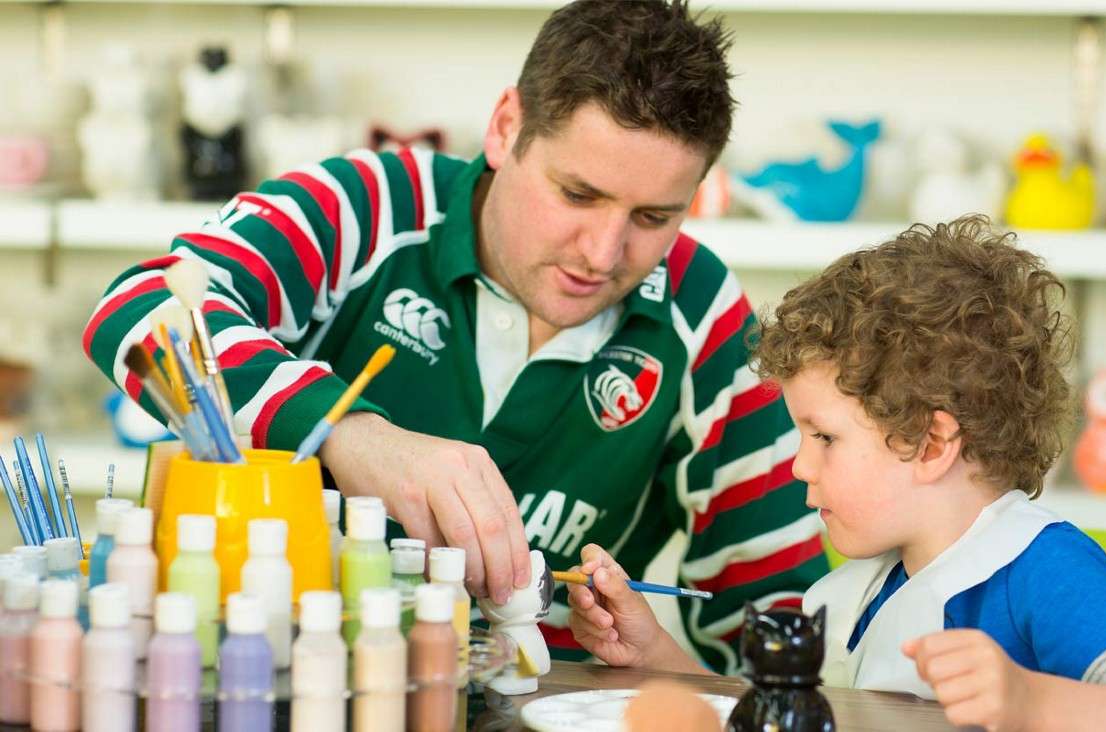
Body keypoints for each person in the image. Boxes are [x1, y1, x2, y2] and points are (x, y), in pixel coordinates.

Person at [80, 0, 825, 671]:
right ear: (507, 128)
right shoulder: (366, 207)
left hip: (541, 709)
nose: (602, 253)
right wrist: (349, 433)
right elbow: (136, 312)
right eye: (577, 194)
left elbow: (782, 635)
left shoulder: (702, 314)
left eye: (653, 218)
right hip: (280, 683)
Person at [567, 216, 1106, 730]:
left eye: (824, 436)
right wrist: (651, 653)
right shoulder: (862, 587)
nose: (799, 464)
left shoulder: (1041, 570)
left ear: (932, 443)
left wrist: (1031, 703)